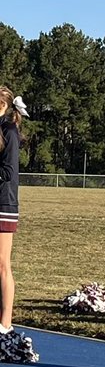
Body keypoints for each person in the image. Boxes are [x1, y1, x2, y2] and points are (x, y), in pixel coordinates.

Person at [0, 88, 27, 334]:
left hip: (3, 204)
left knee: (2, 265)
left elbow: (9, 172)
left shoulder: (8, 131)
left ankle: (5, 325)